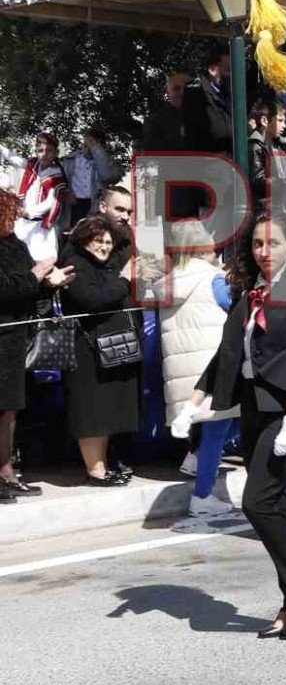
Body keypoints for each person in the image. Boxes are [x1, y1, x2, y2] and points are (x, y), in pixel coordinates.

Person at [182, 212, 286, 638]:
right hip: (253, 407)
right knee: (276, 504)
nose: (265, 252)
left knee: (257, 502)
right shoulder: (250, 295)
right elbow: (227, 354)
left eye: (274, 244)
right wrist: (191, 404)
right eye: (258, 244)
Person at [158, 223, 239, 524]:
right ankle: (202, 496)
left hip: (183, 370)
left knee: (216, 427)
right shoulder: (213, 279)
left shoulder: (167, 283)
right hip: (214, 366)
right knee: (222, 427)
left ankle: (196, 460)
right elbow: (236, 308)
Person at [59, 214, 142, 485]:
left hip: (107, 351)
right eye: (99, 241)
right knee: (91, 413)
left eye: (108, 242)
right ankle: (95, 470)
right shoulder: (74, 265)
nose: (105, 247)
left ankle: (102, 465)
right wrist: (124, 281)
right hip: (86, 352)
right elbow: (94, 299)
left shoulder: (103, 264)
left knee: (104, 412)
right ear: (84, 241)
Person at [0, 186, 71, 501]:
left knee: (10, 410)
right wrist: (37, 273)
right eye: (9, 211)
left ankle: (6, 473)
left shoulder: (12, 243)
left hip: (14, 339)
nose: (14, 216)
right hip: (3, 337)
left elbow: (24, 287)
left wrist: (49, 281)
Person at [16, 133, 65, 264]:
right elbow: (14, 159)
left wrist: (29, 212)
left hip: (41, 227)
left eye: (49, 151)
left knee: (40, 263)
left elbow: (51, 202)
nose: (44, 154)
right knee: (16, 260)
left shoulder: (57, 175)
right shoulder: (32, 166)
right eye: (40, 150)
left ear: (56, 152)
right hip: (22, 223)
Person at [181, 51, 234, 158]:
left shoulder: (227, 95)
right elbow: (216, 131)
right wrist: (246, 129)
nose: (232, 75)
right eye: (228, 69)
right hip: (208, 167)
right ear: (212, 70)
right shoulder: (195, 97)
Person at [63, 128, 114, 229]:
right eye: (87, 143)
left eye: (93, 143)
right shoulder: (71, 160)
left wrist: (96, 150)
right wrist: (67, 192)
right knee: (74, 233)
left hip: (93, 203)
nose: (89, 146)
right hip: (75, 203)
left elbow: (106, 175)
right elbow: (62, 179)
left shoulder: (103, 161)